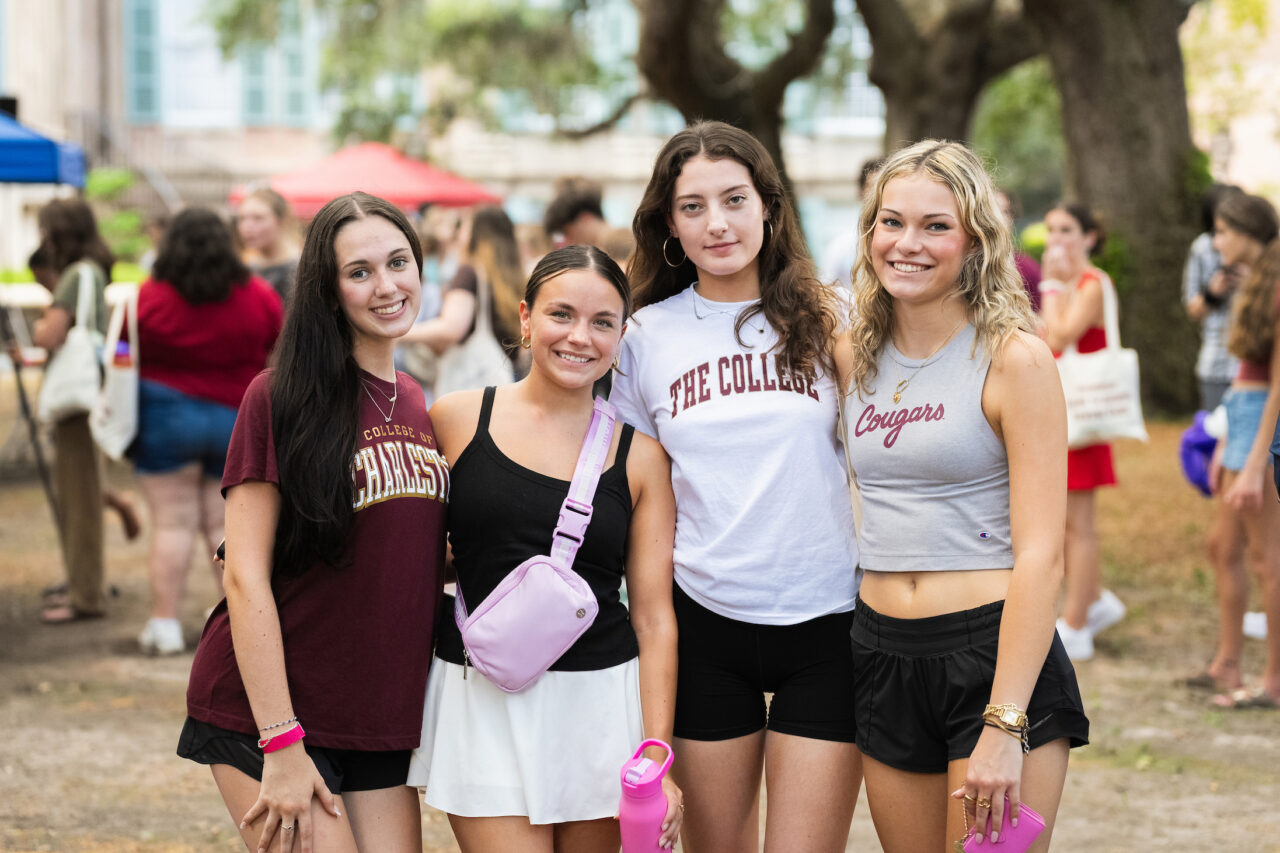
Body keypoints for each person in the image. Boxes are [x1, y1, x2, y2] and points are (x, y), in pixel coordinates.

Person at [612, 120, 862, 852]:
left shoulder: (835, 316)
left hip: (828, 618)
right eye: (693, 207)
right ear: (670, 225)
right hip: (704, 624)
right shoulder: (642, 338)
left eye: (734, 199)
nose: (716, 223)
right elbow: (638, 494)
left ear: (769, 207)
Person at [179, 192, 448, 852]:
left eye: (398, 262)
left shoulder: (415, 399)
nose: (386, 286)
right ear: (327, 291)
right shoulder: (279, 396)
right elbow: (242, 574)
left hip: (375, 715)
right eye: (359, 272)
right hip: (270, 712)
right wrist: (281, 739)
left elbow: (399, 553)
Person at [842, 139, 1089, 852]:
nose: (907, 244)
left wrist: (1005, 721)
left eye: (935, 226)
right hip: (880, 650)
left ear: (976, 240)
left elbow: (1043, 551)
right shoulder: (852, 350)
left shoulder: (1015, 358)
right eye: (890, 222)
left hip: (992, 655)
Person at [409, 245, 682, 851]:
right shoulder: (454, 420)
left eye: (602, 322)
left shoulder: (640, 457)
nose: (579, 337)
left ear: (621, 334)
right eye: (562, 314)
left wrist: (655, 751)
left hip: (600, 707)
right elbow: (400, 545)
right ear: (526, 318)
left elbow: (655, 616)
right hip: (478, 696)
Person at [134, 208, 283, 655]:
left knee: (171, 524)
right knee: (224, 526)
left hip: (165, 417)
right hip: (234, 418)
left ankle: (164, 625)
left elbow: (125, 345)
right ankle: (235, 620)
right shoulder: (256, 294)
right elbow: (275, 342)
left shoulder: (150, 296)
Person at [1198, 192, 1280, 709]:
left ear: (1249, 233)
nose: (1216, 240)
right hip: (1243, 418)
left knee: (1266, 559)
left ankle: (1274, 681)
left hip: (1264, 428)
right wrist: (1226, 436)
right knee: (1221, 548)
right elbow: (1246, 376)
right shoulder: (1253, 285)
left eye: (1224, 230)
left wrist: (1254, 464)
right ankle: (1227, 663)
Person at [1037, 202, 1127, 661]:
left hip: (1083, 420)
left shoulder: (1092, 284)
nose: (1057, 239)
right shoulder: (1077, 285)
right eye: (1052, 229)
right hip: (1067, 415)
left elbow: (1058, 335)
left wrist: (1050, 285)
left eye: (1067, 230)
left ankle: (1077, 623)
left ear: (1089, 237)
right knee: (1068, 523)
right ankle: (1090, 605)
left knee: (1080, 526)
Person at [28, 199, 112, 624]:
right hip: (90, 396)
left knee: (78, 499)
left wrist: (41, 324)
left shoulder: (74, 275)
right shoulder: (93, 271)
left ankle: (85, 595)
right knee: (86, 496)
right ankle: (87, 586)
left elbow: (49, 334)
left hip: (74, 406)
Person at [400, 205, 527, 379]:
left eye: (464, 226)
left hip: (475, 381)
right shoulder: (516, 277)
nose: (458, 233)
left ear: (477, 234)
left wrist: (398, 332)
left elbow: (451, 328)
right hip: (508, 377)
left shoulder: (470, 273)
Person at [1185, 184, 1245, 411]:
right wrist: (1211, 294)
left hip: (1254, 363)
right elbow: (1192, 308)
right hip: (1215, 361)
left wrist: (1250, 283)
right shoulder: (1201, 248)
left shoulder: (1266, 250)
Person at [821, 156, 883, 289]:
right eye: (872, 187)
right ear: (860, 192)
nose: (877, 195)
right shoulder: (840, 247)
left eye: (882, 188)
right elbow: (826, 292)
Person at [237, 187, 300, 303]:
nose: (247, 227)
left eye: (258, 218)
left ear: (282, 221)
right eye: (242, 218)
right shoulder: (247, 268)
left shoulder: (300, 269)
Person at [996, 189, 1043, 312]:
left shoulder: (1027, 267)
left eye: (1005, 211)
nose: (998, 217)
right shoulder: (960, 263)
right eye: (992, 210)